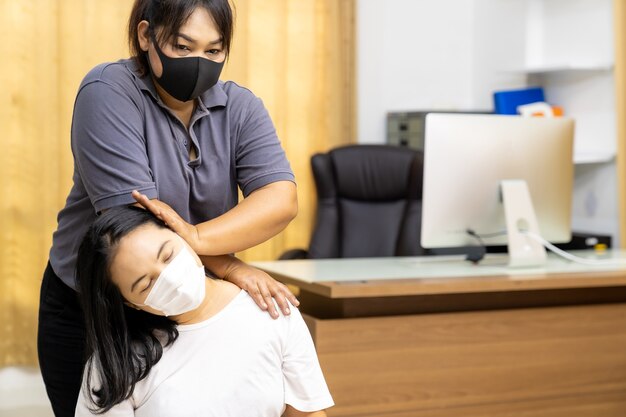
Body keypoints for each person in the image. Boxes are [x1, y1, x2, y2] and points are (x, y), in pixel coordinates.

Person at [38, 1, 299, 415]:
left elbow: (280, 200)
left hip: (187, 301)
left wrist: (196, 238)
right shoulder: (107, 91)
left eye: (214, 51)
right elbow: (134, 225)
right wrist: (231, 267)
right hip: (99, 307)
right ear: (146, 37)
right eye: (183, 46)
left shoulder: (240, 107)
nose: (200, 62)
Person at [73, 206, 334, 417]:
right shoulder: (116, 364)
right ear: (130, 303)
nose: (171, 278)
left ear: (182, 236)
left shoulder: (270, 309)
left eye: (167, 255)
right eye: (147, 284)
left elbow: (306, 412)